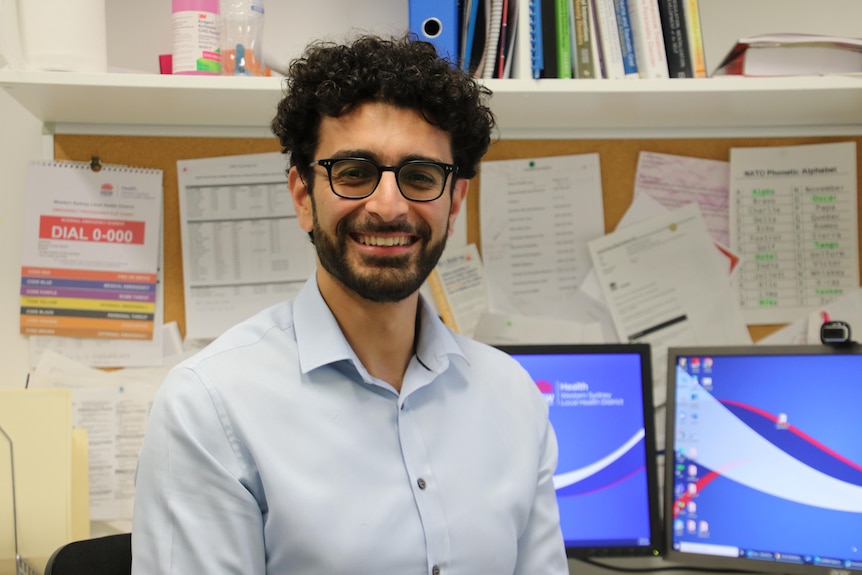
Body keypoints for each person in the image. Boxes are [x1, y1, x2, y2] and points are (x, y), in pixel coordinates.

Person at [131, 34, 568, 574]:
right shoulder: (210, 407)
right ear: (302, 197)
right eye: (354, 172)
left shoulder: (513, 400)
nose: (388, 207)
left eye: (420, 177)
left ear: (454, 202)